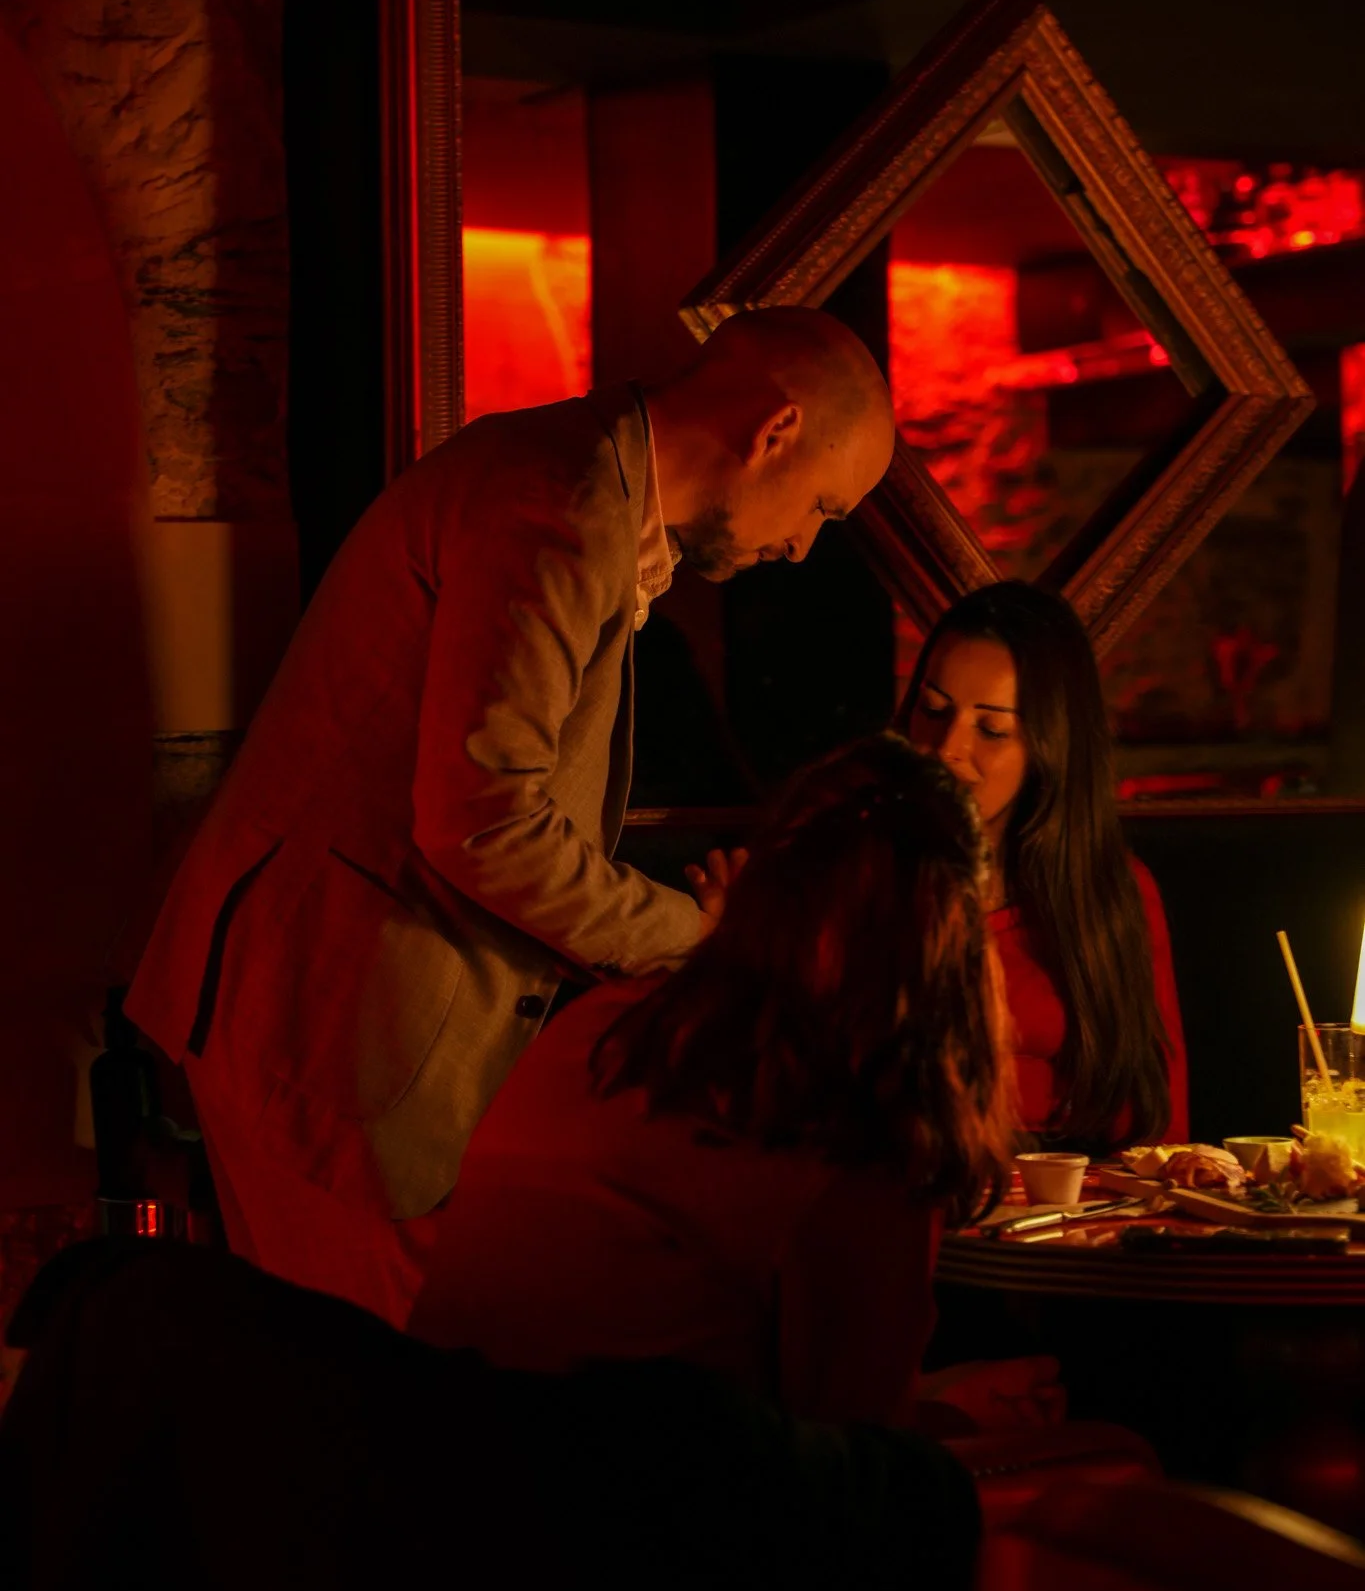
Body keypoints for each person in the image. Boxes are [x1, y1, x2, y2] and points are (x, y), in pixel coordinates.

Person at [126, 307, 895, 1326]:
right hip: (329, 1029)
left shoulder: (580, 485)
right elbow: (485, 825)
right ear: (776, 432)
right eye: (825, 507)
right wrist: (709, 939)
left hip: (344, 1016)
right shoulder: (559, 504)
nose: (802, 548)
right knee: (382, 1402)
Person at [409, 735, 1020, 1428]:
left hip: (440, 1458)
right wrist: (959, 1412)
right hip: (628, 1489)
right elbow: (852, 1442)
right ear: (955, 941)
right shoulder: (854, 1118)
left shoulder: (611, 1025)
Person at [900, 580, 1189, 1147]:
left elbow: (1157, 1130)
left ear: (1047, 746)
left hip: (1069, 1193)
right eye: (932, 709)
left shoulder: (1108, 893)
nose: (946, 747)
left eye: (991, 729)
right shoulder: (853, 875)